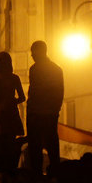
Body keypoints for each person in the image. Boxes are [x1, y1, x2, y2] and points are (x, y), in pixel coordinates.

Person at [26, 40, 64, 175]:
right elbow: (60, 92)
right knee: (51, 145)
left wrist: (31, 110)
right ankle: (55, 173)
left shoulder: (34, 69)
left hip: (37, 114)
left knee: (36, 147)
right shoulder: (56, 69)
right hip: (49, 113)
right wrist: (55, 110)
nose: (32, 55)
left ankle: (37, 174)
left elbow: (34, 91)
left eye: (33, 52)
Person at [0, 51, 25, 173]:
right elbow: (22, 97)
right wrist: (11, 102)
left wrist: (5, 103)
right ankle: (8, 170)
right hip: (8, 114)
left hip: (1, 114)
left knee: (2, 143)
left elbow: (22, 97)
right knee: (7, 143)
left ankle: (3, 171)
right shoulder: (13, 78)